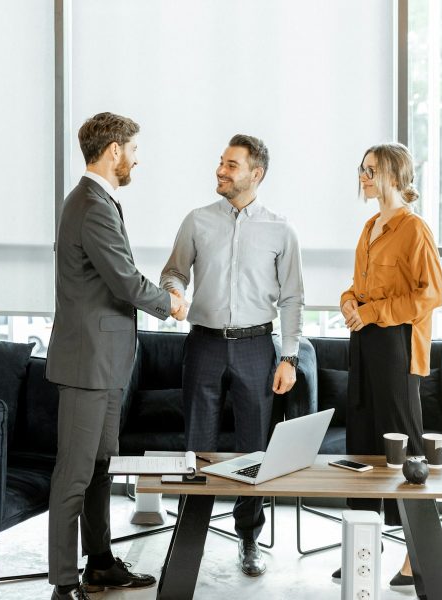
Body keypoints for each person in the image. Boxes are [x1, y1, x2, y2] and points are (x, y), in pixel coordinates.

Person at [45, 112, 188, 600]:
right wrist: (170, 303)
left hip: (104, 362)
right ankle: (64, 584)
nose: (136, 158)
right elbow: (124, 280)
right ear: (113, 151)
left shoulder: (97, 200)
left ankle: (100, 562)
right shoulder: (91, 204)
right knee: (74, 474)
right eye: (133, 149)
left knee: (101, 466)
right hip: (87, 364)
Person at [160, 133, 304, 577]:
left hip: (257, 347)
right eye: (221, 162)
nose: (221, 171)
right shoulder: (197, 221)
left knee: (253, 448)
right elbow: (174, 272)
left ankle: (249, 539)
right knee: (196, 447)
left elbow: (293, 298)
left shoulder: (281, 229)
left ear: (255, 174)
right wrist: (174, 292)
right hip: (203, 343)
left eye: (231, 165)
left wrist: (290, 357)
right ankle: (190, 537)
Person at [336, 142, 442, 592]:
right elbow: (359, 287)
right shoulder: (368, 227)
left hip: (396, 345)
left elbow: (430, 294)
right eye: (361, 168)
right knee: (362, 447)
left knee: (405, 450)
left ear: (395, 177)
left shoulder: (413, 229)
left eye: (371, 170)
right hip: (363, 345)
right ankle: (363, 550)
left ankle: (415, 557)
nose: (363, 176)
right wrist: (347, 302)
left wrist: (374, 312)